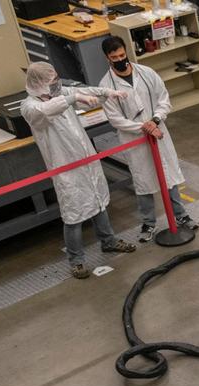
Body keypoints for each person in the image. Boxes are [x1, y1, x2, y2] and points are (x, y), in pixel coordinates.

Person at [20, 62, 138, 279]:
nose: (57, 84)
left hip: (86, 160)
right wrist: (73, 99)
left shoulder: (61, 92)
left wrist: (108, 93)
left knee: (99, 201)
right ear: (40, 84)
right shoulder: (30, 106)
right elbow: (49, 110)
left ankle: (108, 241)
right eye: (52, 81)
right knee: (73, 214)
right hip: (66, 169)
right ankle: (76, 260)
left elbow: (84, 91)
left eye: (57, 79)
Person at [99, 37, 197, 243]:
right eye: (114, 57)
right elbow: (115, 119)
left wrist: (154, 121)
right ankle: (149, 222)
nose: (119, 59)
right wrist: (143, 128)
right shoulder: (106, 86)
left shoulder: (147, 73)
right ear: (107, 58)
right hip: (134, 139)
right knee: (143, 180)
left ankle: (181, 216)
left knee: (168, 175)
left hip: (158, 131)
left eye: (122, 55)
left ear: (126, 52)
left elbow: (164, 99)